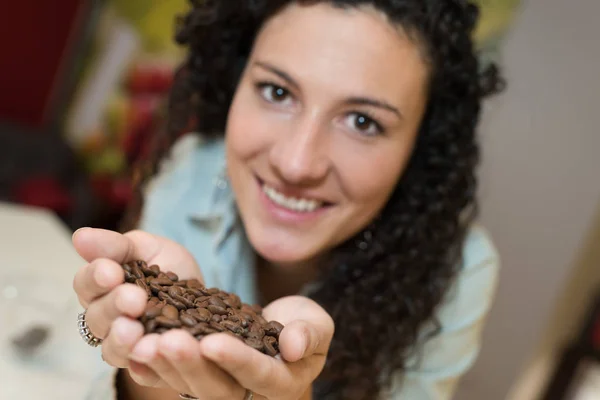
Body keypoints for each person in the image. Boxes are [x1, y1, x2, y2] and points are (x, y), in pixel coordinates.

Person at [72, 0, 505, 399]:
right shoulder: (195, 173)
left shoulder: (455, 268)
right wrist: (150, 367)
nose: (297, 164)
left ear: (419, 149)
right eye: (277, 92)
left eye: (362, 121)